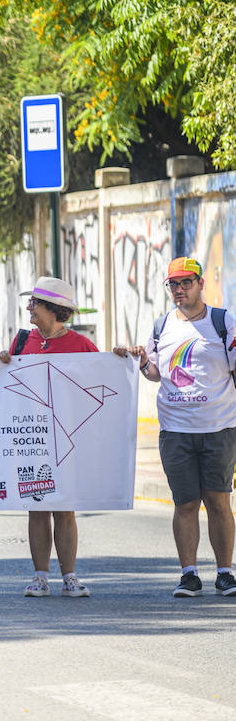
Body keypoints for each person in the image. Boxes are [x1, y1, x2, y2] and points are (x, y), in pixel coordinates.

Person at [115, 256, 236, 598]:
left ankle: (225, 573)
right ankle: (189, 574)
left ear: (200, 284)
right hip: (175, 430)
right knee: (184, 503)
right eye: (173, 284)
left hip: (219, 427)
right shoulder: (162, 325)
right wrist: (141, 362)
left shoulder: (222, 321)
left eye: (186, 283)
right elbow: (155, 372)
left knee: (218, 501)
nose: (179, 290)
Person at [0, 277, 99, 598]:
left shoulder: (81, 345)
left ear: (54, 309)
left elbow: (101, 380)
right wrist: (1, 362)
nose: (29, 307)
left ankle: (69, 576)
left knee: (64, 508)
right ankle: (40, 577)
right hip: (32, 438)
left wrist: (121, 358)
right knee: (36, 507)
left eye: (35, 303)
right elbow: (6, 382)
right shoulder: (22, 339)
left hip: (66, 438)